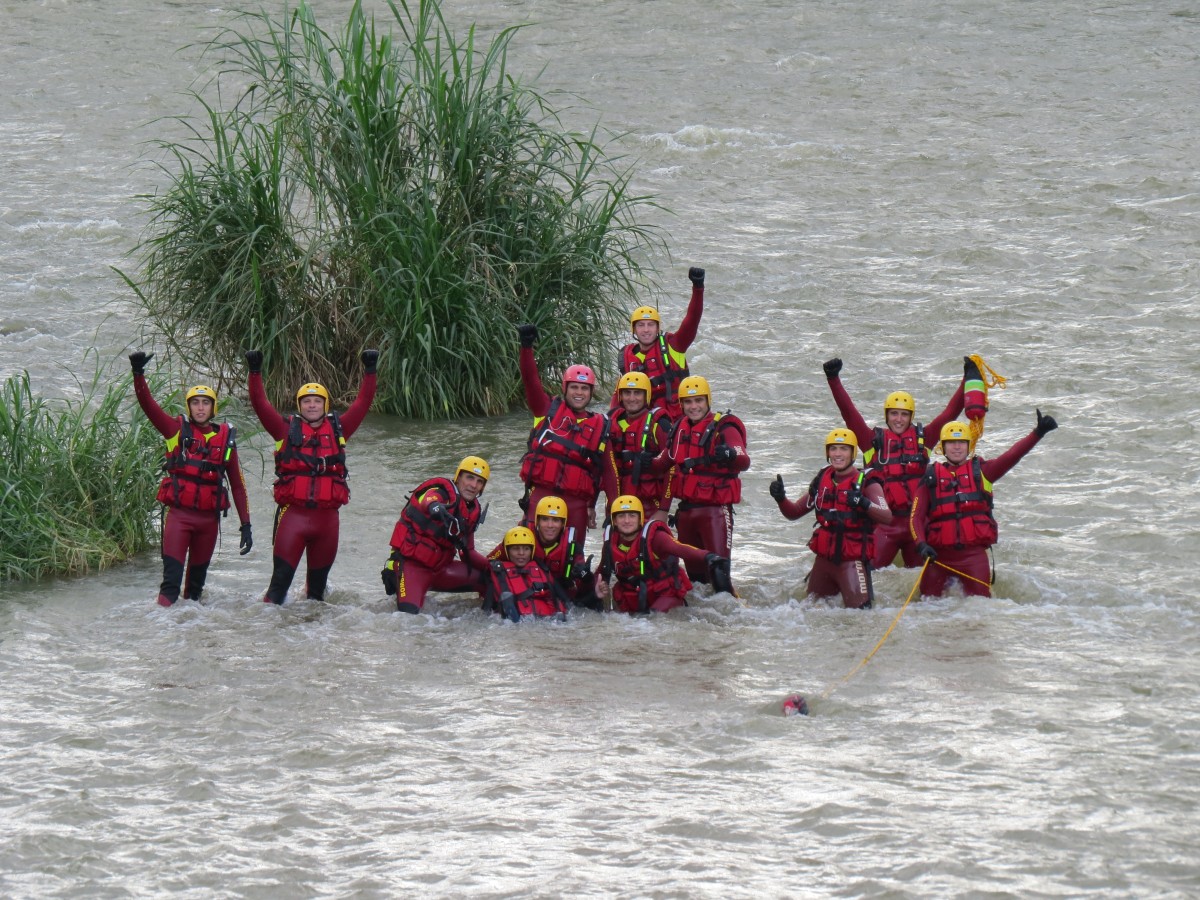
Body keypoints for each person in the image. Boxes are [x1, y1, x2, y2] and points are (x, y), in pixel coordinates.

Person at [246, 348, 377, 604]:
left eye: (317, 400)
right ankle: (265, 635)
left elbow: (363, 403)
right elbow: (260, 404)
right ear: (299, 406)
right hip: (293, 518)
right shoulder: (283, 430)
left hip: (327, 523)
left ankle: (314, 641)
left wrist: (370, 371)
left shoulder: (340, 429)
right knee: (277, 591)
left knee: (316, 597)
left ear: (325, 405)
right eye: (306, 401)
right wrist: (255, 372)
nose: (312, 404)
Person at [822, 355, 971, 570]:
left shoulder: (924, 439)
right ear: (886, 416)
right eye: (894, 414)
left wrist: (967, 378)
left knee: (924, 584)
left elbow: (950, 413)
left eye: (903, 414)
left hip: (916, 524)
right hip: (885, 525)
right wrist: (833, 379)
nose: (898, 419)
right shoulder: (871, 441)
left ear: (911, 417)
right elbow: (849, 413)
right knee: (868, 574)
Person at [129, 351, 253, 606]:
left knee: (195, 592)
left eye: (205, 403)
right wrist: (138, 374)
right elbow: (148, 406)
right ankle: (161, 635)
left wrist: (246, 525)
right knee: (170, 587)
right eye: (195, 403)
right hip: (179, 518)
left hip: (208, 523)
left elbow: (238, 486)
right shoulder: (175, 431)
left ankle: (192, 638)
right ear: (189, 407)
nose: (200, 407)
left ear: (213, 407)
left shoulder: (226, 441)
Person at [908, 412, 1058, 598]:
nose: (957, 447)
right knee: (927, 607)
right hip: (939, 558)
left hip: (973, 558)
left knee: (980, 611)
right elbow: (916, 517)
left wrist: (1038, 433)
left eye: (962, 442)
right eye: (951, 443)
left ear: (969, 446)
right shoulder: (930, 477)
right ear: (943, 447)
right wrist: (921, 545)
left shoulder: (984, 472)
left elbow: (1012, 455)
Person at [769, 429, 892, 609]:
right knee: (809, 611)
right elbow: (794, 512)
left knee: (860, 616)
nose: (838, 454)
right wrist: (780, 498)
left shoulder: (867, 483)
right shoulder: (821, 480)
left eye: (843, 449)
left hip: (851, 562)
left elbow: (887, 516)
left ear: (852, 453)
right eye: (833, 449)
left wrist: (863, 502)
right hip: (824, 562)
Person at [515, 323, 615, 543]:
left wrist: (612, 512)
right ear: (565, 388)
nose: (579, 393)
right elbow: (531, 381)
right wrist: (526, 348)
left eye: (584, 388)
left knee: (572, 560)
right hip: (541, 496)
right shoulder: (545, 410)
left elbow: (608, 474)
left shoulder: (601, 426)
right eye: (574, 387)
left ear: (591, 392)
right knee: (528, 551)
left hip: (576, 503)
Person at [660, 375, 749, 591]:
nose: (694, 407)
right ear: (681, 404)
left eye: (698, 400)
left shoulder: (724, 427)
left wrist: (729, 453)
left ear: (708, 400)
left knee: (720, 577)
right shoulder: (679, 428)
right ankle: (700, 624)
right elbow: (665, 462)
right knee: (698, 584)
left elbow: (743, 459)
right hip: (687, 514)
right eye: (688, 402)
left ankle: (732, 620)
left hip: (715, 513)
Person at [383, 456, 492, 614]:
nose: (473, 485)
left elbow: (468, 552)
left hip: (441, 569)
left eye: (479, 481)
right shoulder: (439, 493)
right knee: (408, 617)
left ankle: (488, 623)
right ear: (458, 477)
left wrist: (493, 567)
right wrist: (435, 507)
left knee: (491, 580)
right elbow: (428, 499)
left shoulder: (471, 511)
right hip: (412, 568)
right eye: (469, 478)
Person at [594, 496, 731, 614]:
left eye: (632, 515)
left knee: (651, 620)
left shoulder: (656, 537)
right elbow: (601, 572)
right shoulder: (610, 542)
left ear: (640, 518)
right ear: (614, 521)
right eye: (621, 516)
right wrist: (597, 587)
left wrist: (709, 557)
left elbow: (681, 549)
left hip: (663, 594)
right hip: (633, 596)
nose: (627, 521)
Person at [617, 267, 706, 421]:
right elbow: (618, 397)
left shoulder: (674, 346)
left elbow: (692, 320)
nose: (646, 330)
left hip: (676, 420)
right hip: (645, 424)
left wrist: (698, 288)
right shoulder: (626, 356)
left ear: (658, 328)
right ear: (634, 330)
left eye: (650, 325)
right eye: (641, 325)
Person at [487, 495, 597, 609]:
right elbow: (489, 561)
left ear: (563, 524)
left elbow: (583, 586)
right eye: (545, 519)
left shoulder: (572, 547)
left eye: (556, 520)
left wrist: (586, 577)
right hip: (524, 593)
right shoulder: (520, 536)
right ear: (537, 521)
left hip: (557, 595)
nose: (550, 525)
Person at [606, 371, 673, 522]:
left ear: (646, 396)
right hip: (618, 503)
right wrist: (592, 505)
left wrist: (663, 509)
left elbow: (673, 468)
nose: (631, 398)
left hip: (651, 505)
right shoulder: (610, 425)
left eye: (637, 393)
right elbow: (604, 469)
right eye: (627, 393)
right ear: (620, 396)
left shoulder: (659, 425)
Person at [483, 526, 569, 622]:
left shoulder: (542, 569)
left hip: (548, 622)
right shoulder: (498, 572)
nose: (521, 553)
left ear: (532, 551)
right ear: (507, 551)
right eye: (515, 549)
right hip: (514, 624)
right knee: (506, 598)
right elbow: (485, 612)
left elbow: (564, 601)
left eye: (526, 549)